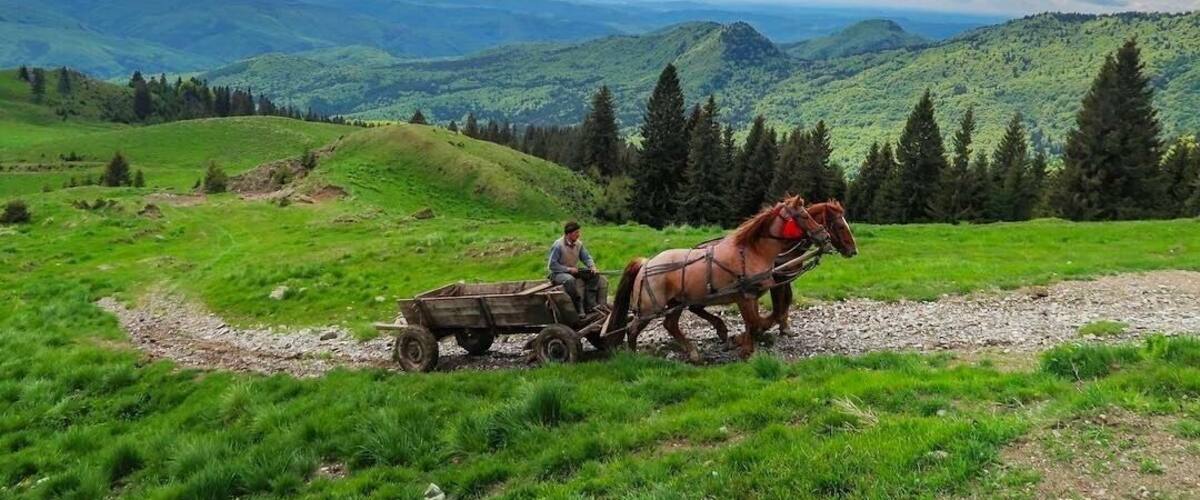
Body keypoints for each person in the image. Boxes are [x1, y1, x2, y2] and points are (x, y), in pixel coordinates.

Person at [548, 221, 601, 314]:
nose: (578, 235)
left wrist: (592, 266)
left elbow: (586, 257)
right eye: (576, 233)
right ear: (569, 234)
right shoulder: (558, 245)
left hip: (573, 270)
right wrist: (568, 269)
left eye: (579, 232)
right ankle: (578, 306)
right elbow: (552, 265)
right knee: (569, 280)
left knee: (594, 275)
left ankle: (590, 304)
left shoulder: (578, 244)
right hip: (558, 273)